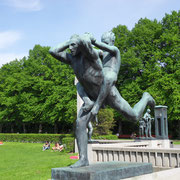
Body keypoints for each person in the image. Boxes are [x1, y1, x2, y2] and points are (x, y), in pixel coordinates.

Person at [49, 33, 155, 168]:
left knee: (134, 116)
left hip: (108, 92)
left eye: (73, 45)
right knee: (80, 123)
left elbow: (88, 43)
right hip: (92, 94)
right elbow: (53, 51)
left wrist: (87, 40)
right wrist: (71, 41)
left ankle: (145, 97)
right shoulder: (72, 59)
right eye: (69, 45)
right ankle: (83, 159)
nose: (70, 48)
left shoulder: (93, 55)